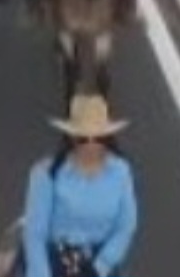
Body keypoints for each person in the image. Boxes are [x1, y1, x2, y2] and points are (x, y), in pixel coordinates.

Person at [20, 95, 137, 277]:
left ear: (107, 138)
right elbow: (35, 234)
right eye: (84, 138)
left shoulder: (121, 172)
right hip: (55, 260)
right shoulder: (46, 174)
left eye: (98, 138)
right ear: (72, 138)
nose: (91, 145)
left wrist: (101, 266)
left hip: (100, 261)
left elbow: (126, 225)